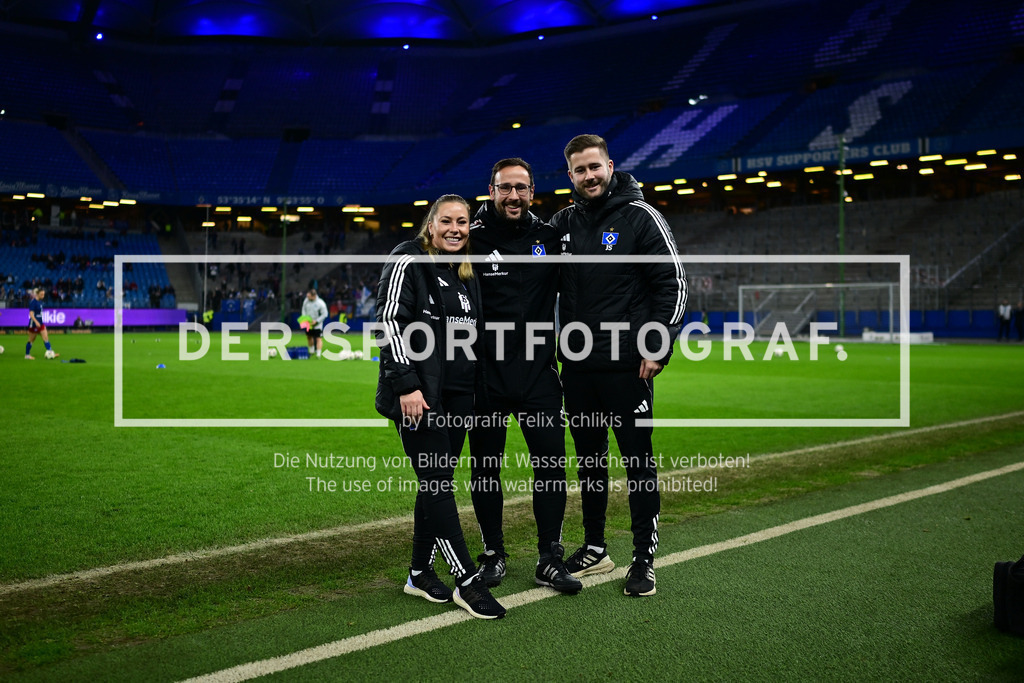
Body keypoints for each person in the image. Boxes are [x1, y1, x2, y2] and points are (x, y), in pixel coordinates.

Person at [552, 134, 686, 597]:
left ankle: (644, 559)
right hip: (578, 368)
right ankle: (594, 547)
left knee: (637, 462)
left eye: (595, 167)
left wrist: (658, 344)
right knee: (589, 461)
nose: (589, 176)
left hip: (629, 366)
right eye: (579, 170)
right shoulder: (562, 223)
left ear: (610, 165)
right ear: (569, 176)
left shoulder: (641, 216)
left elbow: (673, 284)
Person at [374, 194, 506, 620]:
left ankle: (417, 572)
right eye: (446, 221)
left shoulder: (465, 270)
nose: (455, 228)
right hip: (420, 399)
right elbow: (389, 323)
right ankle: (466, 580)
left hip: (460, 398)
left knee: (435, 483)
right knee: (437, 483)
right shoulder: (407, 260)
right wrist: (408, 385)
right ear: (430, 225)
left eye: (462, 222)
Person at [467, 158, 582, 594]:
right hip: (486, 378)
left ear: (533, 191)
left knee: (551, 464)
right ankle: (493, 554)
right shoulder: (470, 241)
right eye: (504, 188)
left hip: (538, 376)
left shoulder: (548, 237)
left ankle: (549, 557)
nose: (513, 196)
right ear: (491, 190)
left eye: (521, 188)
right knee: (485, 469)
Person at [25, 288, 59, 360]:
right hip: (34, 324)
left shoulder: (39, 302)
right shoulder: (33, 302)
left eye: (43, 294)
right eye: (41, 294)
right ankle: (27, 355)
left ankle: (50, 353)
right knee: (31, 340)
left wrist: (39, 322)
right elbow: (31, 314)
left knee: (46, 338)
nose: (43, 296)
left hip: (41, 323)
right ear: (37, 294)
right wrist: (36, 322)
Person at [301, 289, 328, 358]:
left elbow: (325, 314)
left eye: (309, 296)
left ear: (314, 296)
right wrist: (304, 318)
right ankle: (311, 351)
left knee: (318, 338)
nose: (307, 297)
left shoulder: (321, 303)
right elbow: (303, 309)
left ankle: (318, 354)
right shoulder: (306, 300)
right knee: (309, 337)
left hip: (317, 324)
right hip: (308, 322)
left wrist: (317, 321)